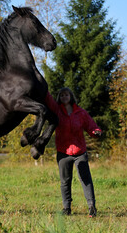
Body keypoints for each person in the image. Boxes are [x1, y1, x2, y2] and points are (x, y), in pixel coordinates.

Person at [44, 87, 102, 217]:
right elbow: (48, 99)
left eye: (66, 95)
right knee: (65, 181)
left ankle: (92, 207)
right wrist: (43, 86)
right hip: (63, 152)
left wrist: (96, 132)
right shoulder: (57, 111)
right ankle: (66, 208)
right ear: (60, 97)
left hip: (79, 152)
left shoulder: (80, 112)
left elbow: (91, 126)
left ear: (71, 96)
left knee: (85, 179)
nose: (64, 97)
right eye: (62, 95)